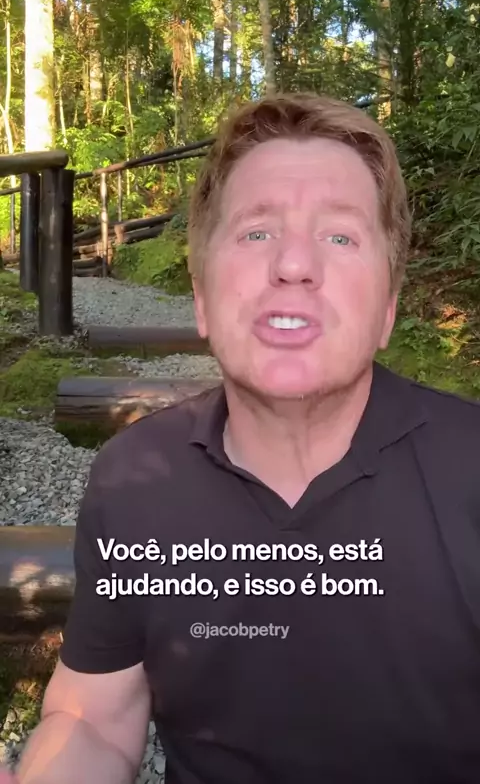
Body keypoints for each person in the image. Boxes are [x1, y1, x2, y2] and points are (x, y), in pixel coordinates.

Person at [5, 91, 480, 784]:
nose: (294, 263)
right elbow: (92, 718)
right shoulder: (135, 478)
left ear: (387, 306)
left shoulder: (470, 472)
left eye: (340, 236)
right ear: (201, 296)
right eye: (257, 232)